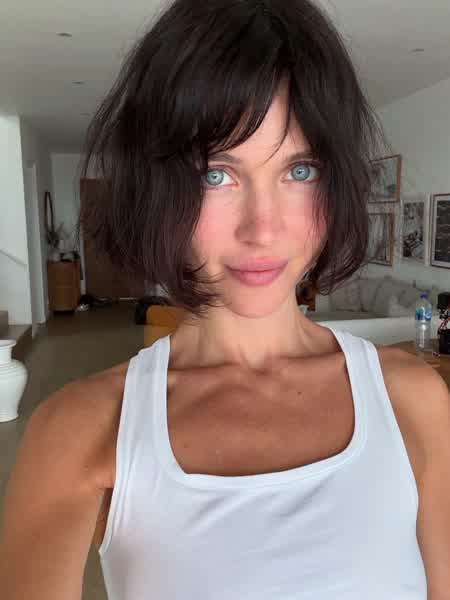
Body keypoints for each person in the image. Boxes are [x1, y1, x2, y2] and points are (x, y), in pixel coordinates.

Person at [1, 1, 449, 598]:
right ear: (158, 190)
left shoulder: (413, 399)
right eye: (215, 174)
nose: (262, 229)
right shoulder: (78, 430)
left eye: (300, 171)